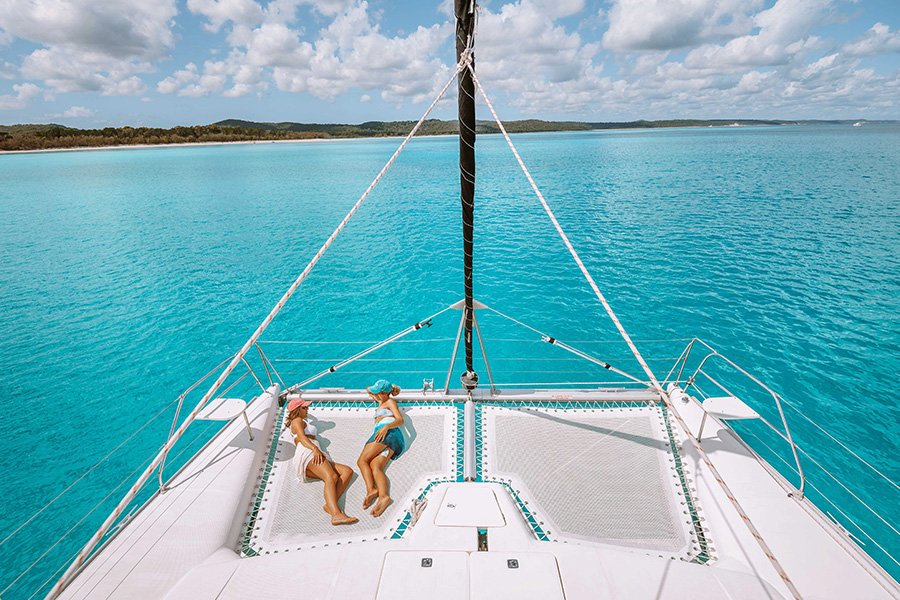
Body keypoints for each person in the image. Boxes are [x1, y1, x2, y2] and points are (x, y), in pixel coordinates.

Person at [286, 397, 358, 525]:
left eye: (307, 407)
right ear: (297, 410)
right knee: (331, 476)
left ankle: (330, 505)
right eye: (304, 407)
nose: (307, 409)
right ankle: (336, 515)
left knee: (347, 471)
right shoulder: (297, 421)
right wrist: (314, 449)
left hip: (313, 452)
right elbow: (302, 438)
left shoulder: (302, 421)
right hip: (308, 452)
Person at [357, 379, 405, 517]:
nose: (375, 395)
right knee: (375, 467)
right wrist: (377, 391)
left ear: (385, 393)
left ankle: (371, 489)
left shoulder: (389, 402)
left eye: (379, 393)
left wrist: (386, 427)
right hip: (387, 437)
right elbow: (368, 389)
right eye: (376, 393)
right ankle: (384, 496)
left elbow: (400, 419)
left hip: (387, 433)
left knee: (362, 461)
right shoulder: (381, 401)